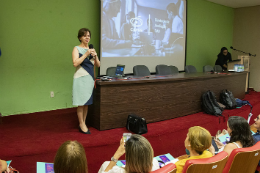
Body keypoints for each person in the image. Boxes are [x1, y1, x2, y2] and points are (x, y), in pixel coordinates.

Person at [72, 28, 100, 134]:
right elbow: (75, 63)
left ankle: (84, 122)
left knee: (87, 102)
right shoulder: (76, 49)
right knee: (81, 102)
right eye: (85, 36)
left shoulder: (91, 50)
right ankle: (81, 124)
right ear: (80, 37)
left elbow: (98, 65)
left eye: (88, 35)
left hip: (89, 79)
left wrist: (95, 56)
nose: (87, 37)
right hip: (80, 78)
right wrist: (86, 54)